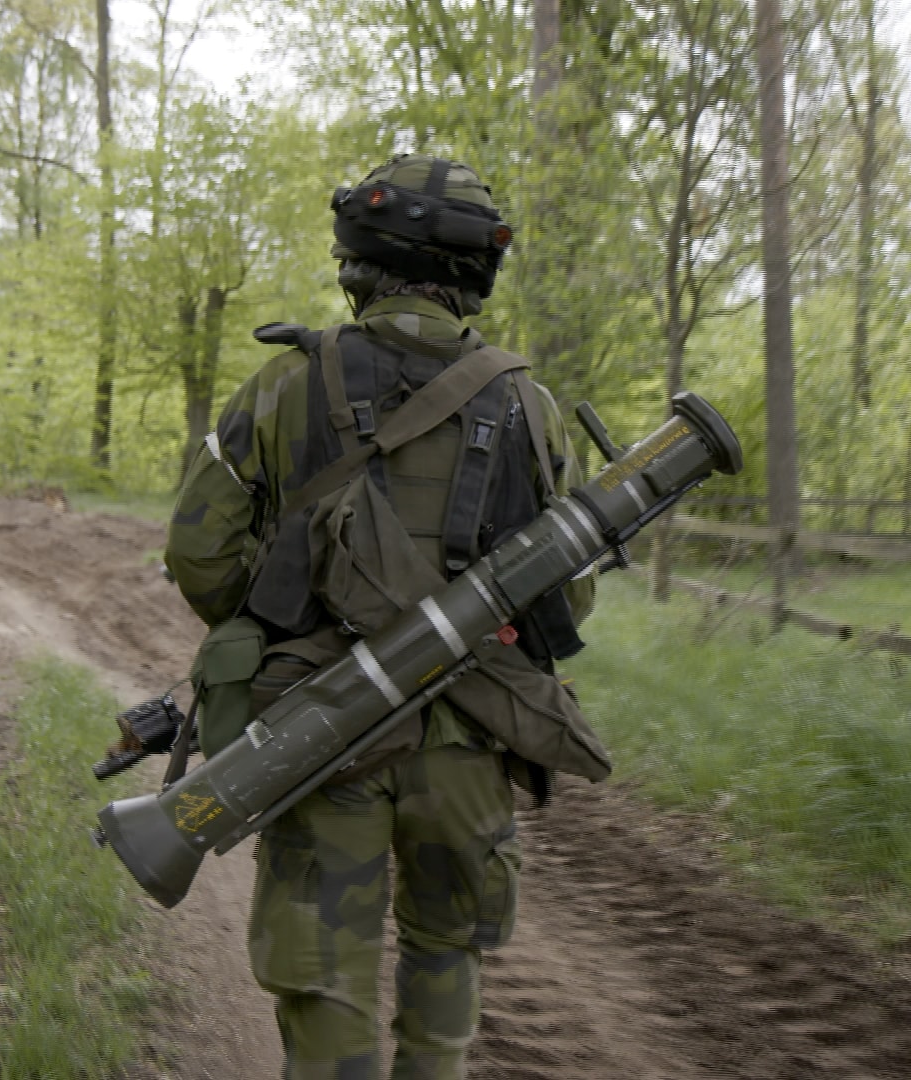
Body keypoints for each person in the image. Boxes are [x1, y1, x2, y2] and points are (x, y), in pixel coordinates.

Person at [164, 154, 607, 1080]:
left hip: (323, 733)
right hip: (470, 743)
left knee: (325, 984)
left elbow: (199, 555)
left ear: (361, 258)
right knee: (446, 964)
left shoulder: (285, 385)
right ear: (474, 272)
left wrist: (282, 618)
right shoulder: (529, 406)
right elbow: (568, 599)